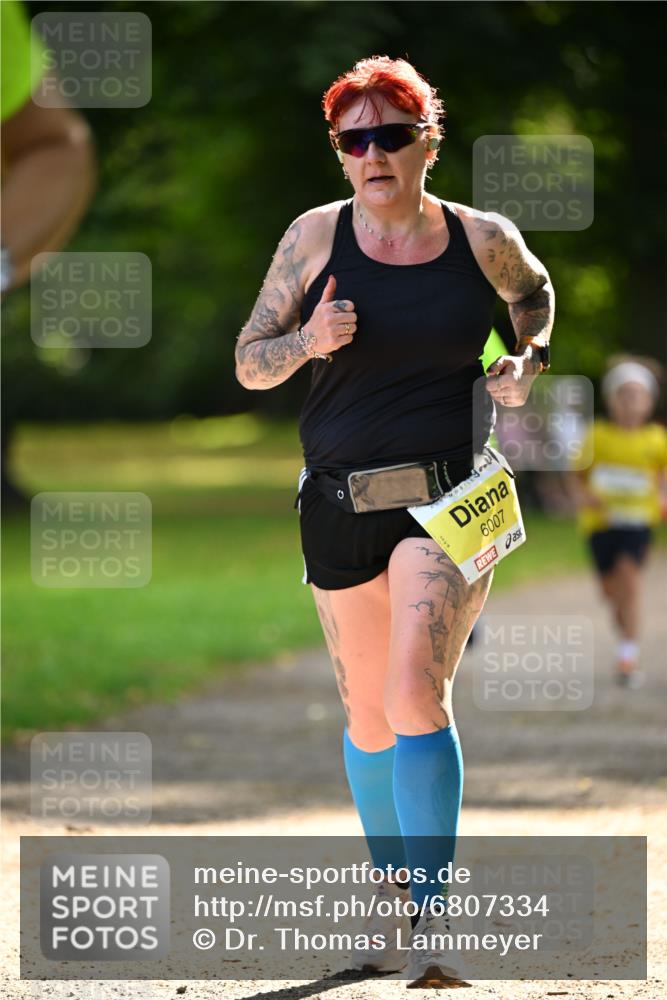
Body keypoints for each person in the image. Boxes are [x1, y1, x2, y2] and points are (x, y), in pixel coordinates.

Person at [235, 56, 554, 987]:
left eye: (391, 134)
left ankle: (434, 926)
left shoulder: (482, 238)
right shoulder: (310, 240)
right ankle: (393, 906)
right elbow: (251, 364)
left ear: (428, 142)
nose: (372, 153)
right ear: (339, 156)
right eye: (353, 140)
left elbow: (532, 300)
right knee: (369, 717)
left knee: (416, 693)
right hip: (338, 499)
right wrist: (307, 340)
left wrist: (523, 358)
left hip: (450, 497)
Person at [571, 355, 667, 689]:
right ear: (611, 400)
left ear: (649, 402)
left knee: (630, 581)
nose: (629, 403)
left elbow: (664, 475)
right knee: (612, 593)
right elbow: (576, 475)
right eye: (622, 395)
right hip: (599, 524)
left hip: (638, 523)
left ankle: (628, 656)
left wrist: (663, 495)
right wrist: (584, 497)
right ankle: (625, 634)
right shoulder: (596, 434)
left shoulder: (657, 439)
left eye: (636, 396)